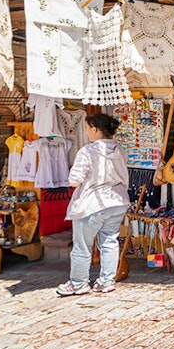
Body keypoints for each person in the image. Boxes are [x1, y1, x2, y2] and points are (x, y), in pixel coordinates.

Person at [57, 113, 131, 296]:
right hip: (117, 200)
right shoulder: (120, 150)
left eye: (88, 127)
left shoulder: (88, 151)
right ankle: (106, 281)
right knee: (109, 242)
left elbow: (74, 180)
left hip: (94, 203)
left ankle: (78, 283)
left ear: (95, 129)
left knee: (82, 245)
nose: (87, 131)